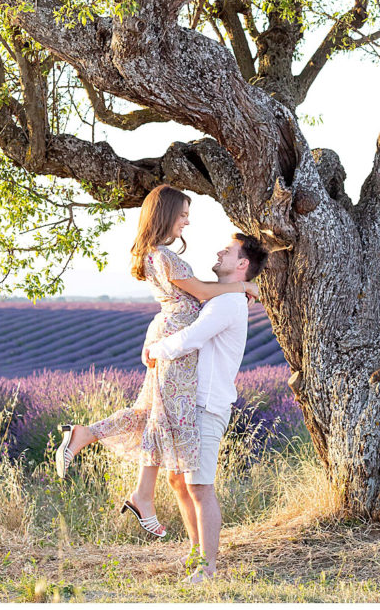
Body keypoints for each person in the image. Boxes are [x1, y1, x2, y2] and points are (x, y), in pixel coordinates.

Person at [55, 185, 258, 539]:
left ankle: (120, 472)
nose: (188, 221)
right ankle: (137, 490)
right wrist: (243, 288)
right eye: (182, 215)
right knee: (164, 418)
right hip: (177, 343)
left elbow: (198, 289)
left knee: (150, 414)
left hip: (167, 333)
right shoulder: (166, 256)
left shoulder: (155, 255)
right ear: (164, 215)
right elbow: (204, 293)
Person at [144, 233, 268, 582]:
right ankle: (197, 554)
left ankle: (208, 568)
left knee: (200, 485)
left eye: (227, 251)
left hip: (207, 404)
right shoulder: (224, 297)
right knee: (177, 480)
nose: (219, 252)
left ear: (242, 264)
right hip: (190, 402)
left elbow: (193, 337)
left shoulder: (228, 303)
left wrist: (156, 350)